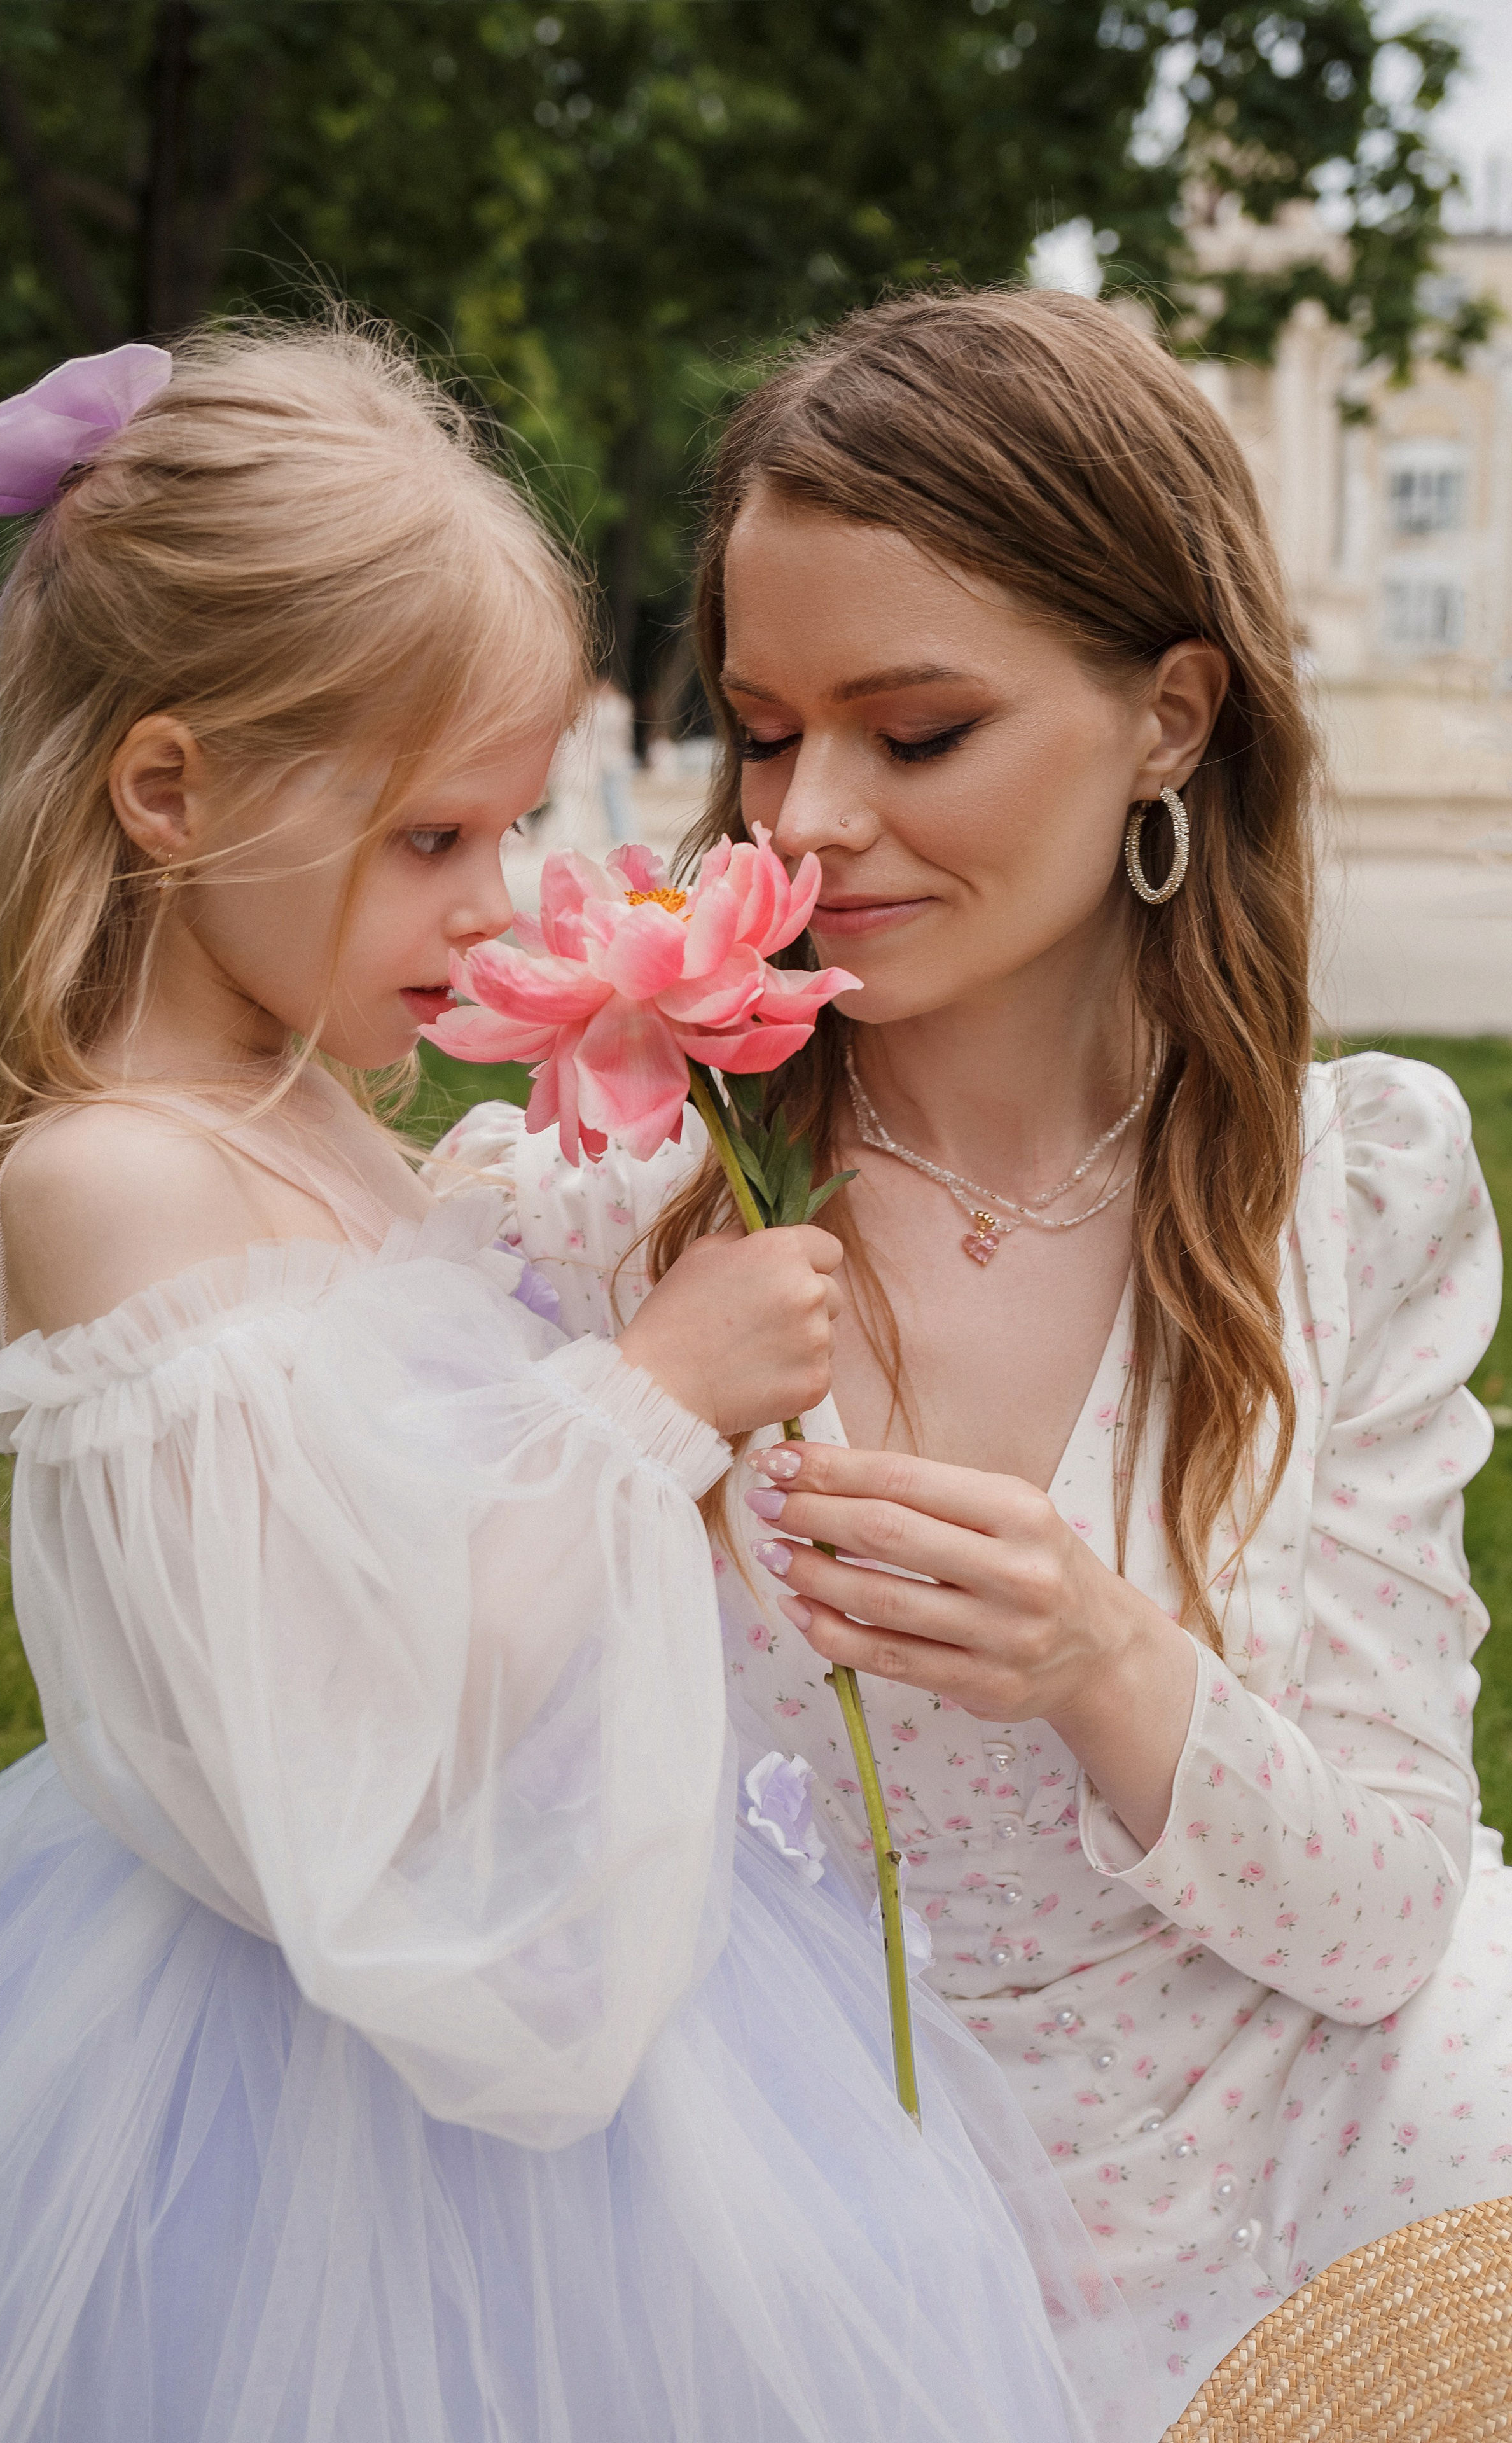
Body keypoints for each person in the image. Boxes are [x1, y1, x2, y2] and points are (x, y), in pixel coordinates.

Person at [0, 324, 1149, 2443]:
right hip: (314, 2080)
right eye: (430, 842)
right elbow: (337, 1722)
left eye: (512, 823)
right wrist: (650, 1396)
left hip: (588, 1973)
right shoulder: (115, 1183)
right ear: (171, 788)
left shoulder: (322, 1123)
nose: (495, 912)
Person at [441, 288, 1509, 2425]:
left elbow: (1390, 1906)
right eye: (761, 727)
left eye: (916, 732)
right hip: (772, 2224)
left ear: (1173, 717)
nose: (810, 818)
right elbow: (404, 1727)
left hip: (1306, 2183)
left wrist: (1105, 1662)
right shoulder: (603, 1204)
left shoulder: (1346, 1192)